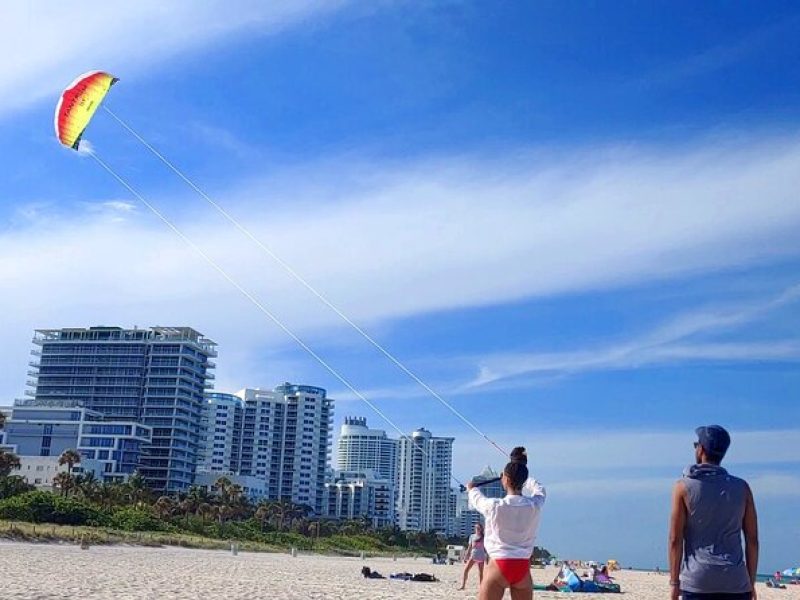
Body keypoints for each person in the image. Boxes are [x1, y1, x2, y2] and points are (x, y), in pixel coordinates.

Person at [668, 425, 759, 600]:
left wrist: (674, 583)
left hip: (698, 579)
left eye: (696, 444)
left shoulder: (683, 487)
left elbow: (675, 539)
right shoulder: (742, 487)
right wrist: (751, 582)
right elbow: (752, 539)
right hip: (735, 580)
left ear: (701, 449)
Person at [468, 446, 546, 600]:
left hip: (499, 565)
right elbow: (540, 489)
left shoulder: (494, 506)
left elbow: (476, 498)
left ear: (506, 479)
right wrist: (524, 475)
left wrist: (471, 489)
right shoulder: (534, 505)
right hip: (522, 569)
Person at [459, 522, 488, 590]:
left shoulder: (483, 537)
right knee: (466, 570)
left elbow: (486, 548)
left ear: (481, 529)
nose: (477, 529)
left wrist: (487, 557)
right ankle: (463, 585)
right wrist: (466, 555)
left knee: (480, 573)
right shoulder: (472, 536)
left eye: (478, 528)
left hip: (481, 556)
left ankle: (481, 588)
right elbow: (469, 547)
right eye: (476, 528)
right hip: (473, 555)